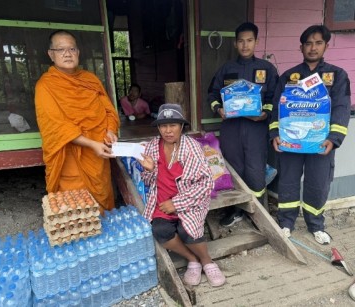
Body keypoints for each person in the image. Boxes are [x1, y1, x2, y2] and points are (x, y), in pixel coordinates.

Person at [269, 25, 351, 245]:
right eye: (308, 43)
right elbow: (276, 107)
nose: (313, 48)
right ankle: (286, 222)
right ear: (301, 47)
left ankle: (316, 224)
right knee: (287, 181)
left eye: (318, 43)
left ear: (325, 45)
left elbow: (342, 108)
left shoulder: (337, 76)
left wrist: (334, 139)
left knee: (318, 183)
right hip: (291, 141)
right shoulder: (289, 76)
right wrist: (275, 133)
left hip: (319, 143)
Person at [138, 103, 226, 287]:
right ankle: (192, 259)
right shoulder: (153, 146)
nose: (168, 131)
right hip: (161, 202)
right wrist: (150, 170)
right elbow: (147, 181)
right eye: (163, 126)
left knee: (187, 231)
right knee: (160, 230)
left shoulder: (192, 147)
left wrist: (176, 203)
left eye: (173, 125)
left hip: (190, 201)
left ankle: (207, 261)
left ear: (181, 127)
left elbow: (206, 183)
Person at [35, 30, 120, 212]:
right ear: (51, 54)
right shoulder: (46, 86)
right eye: (60, 49)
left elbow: (108, 111)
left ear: (78, 52)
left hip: (98, 152)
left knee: (102, 193)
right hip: (71, 155)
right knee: (75, 206)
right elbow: (57, 126)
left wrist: (110, 130)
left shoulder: (90, 80)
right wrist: (90, 144)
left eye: (72, 49)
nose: (67, 53)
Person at [207, 22, 279, 226]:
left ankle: (258, 212)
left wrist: (265, 113)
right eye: (241, 41)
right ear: (235, 43)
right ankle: (235, 210)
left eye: (249, 41)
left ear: (256, 42)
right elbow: (212, 93)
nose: (245, 45)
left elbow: (275, 98)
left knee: (255, 170)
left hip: (256, 129)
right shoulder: (227, 69)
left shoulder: (267, 69)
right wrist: (217, 108)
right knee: (234, 170)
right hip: (231, 129)